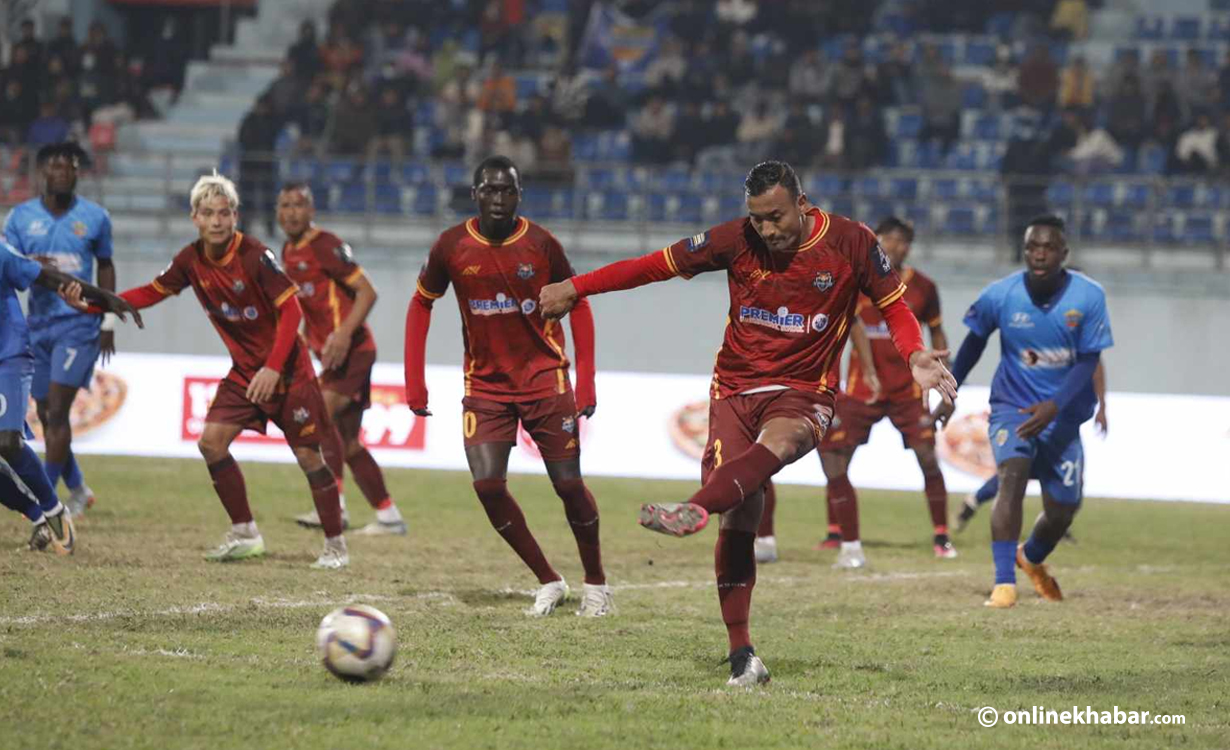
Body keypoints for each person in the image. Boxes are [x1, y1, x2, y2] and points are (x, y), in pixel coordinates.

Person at [539, 161, 956, 686]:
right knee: (739, 520)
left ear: (802, 205)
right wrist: (577, 287)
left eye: (776, 217)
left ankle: (695, 506)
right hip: (734, 392)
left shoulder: (851, 242)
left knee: (780, 444)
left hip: (805, 390)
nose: (767, 229)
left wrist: (913, 352)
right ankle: (743, 655)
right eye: (757, 218)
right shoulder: (735, 240)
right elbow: (653, 265)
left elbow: (893, 306)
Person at [82, 173, 350, 569]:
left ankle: (336, 546)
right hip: (246, 373)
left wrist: (273, 368)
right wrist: (94, 303)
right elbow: (151, 292)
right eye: (208, 213)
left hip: (289, 372)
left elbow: (292, 311)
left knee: (309, 456)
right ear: (195, 218)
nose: (217, 221)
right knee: (211, 443)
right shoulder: (190, 260)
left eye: (224, 213)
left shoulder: (255, 255)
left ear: (235, 216)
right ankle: (245, 533)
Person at [404, 156, 610, 618]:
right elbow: (421, 304)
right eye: (490, 190)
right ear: (474, 194)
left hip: (545, 381)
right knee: (487, 485)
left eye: (507, 190)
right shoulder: (451, 246)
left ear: (519, 195)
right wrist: (414, 385)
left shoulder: (541, 244)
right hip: (485, 387)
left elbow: (578, 303)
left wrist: (587, 382)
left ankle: (596, 583)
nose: (498, 198)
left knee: (568, 485)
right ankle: (549, 580)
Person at [935, 215, 1113, 608]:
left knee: (1063, 509)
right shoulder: (1001, 294)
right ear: (1024, 250)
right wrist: (951, 389)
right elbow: (974, 342)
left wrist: (1056, 405)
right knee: (1010, 476)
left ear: (1063, 253)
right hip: (1012, 407)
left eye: (1048, 247)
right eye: (1032, 247)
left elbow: (1089, 360)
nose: (1039, 254)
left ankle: (1029, 557)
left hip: (1063, 417)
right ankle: (1004, 583)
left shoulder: (1089, 296)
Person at [816, 217, 956, 569]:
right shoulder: (855, 280)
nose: (895, 246)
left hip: (909, 389)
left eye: (903, 241)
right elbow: (849, 327)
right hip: (861, 388)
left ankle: (941, 535)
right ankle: (836, 531)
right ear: (876, 241)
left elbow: (937, 332)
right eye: (889, 239)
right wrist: (859, 369)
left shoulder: (924, 287)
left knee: (927, 456)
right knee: (836, 454)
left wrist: (944, 370)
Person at [276, 183, 407, 535]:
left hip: (354, 352)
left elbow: (367, 291)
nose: (291, 212)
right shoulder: (288, 251)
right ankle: (389, 517)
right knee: (347, 443)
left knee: (319, 416)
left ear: (311, 210)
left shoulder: (325, 245)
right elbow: (307, 304)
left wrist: (344, 333)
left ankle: (333, 508)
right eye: (284, 205)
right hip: (332, 357)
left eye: (298, 205)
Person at [1, 238, 137, 554]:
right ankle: (37, 516)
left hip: (7, 354)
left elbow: (49, 278)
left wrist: (103, 298)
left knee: (6, 441)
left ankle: (53, 510)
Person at [3, 143, 116, 516]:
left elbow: (105, 265)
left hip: (78, 323)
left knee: (56, 408)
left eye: (70, 167)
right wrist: (31, 263)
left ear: (78, 173)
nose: (63, 173)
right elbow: (9, 263)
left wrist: (107, 320)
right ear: (42, 173)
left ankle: (48, 500)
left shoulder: (95, 217)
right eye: (56, 167)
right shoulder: (20, 218)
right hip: (37, 324)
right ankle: (78, 487)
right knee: (46, 411)